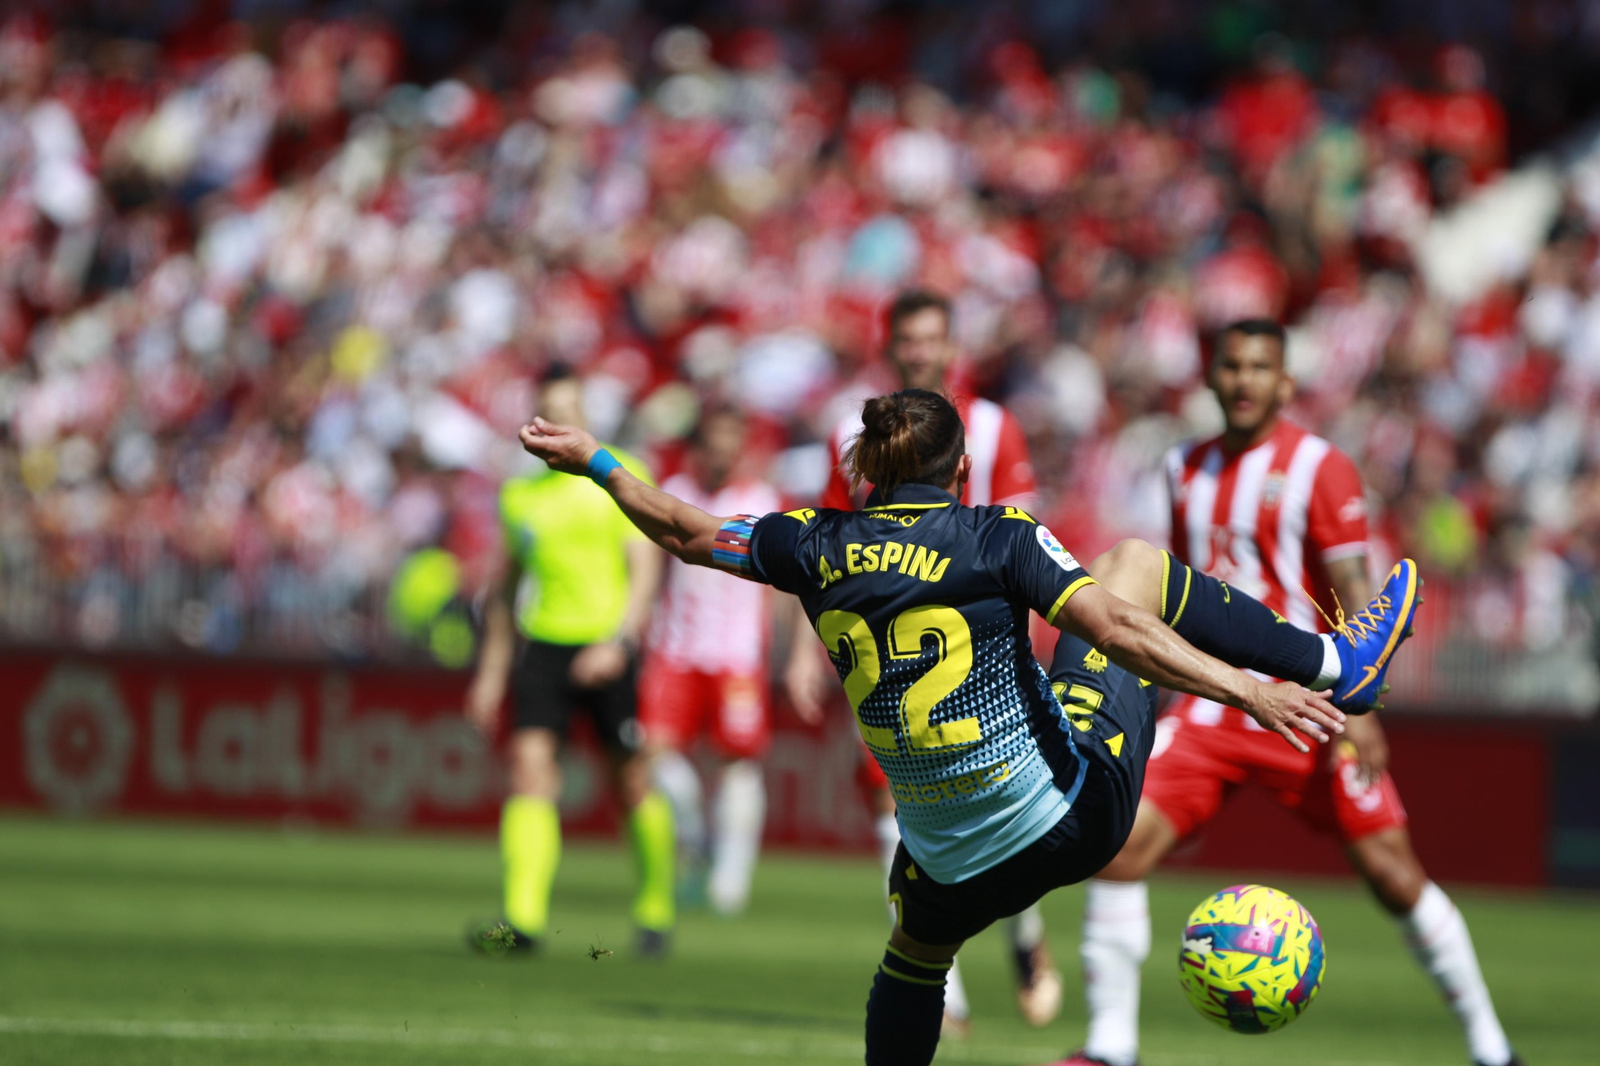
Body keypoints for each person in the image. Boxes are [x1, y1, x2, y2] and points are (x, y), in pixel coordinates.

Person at [516, 386, 1421, 1066]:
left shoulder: (808, 544)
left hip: (946, 858)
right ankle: (1340, 663)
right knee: (1137, 564)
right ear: (960, 473)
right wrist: (1250, 688)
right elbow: (1120, 630)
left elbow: (678, 529)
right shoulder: (997, 535)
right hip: (1071, 815)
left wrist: (597, 460)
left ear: (864, 472)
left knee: (913, 956)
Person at [1057, 319, 1519, 1066]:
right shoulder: (1183, 466)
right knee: (1117, 846)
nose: (1243, 380)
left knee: (1396, 876)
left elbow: (1356, 589)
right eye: (1231, 367)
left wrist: (1365, 708)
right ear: (1211, 379)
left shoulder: (1321, 468)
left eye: (1259, 368)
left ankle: (1492, 1049)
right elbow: (1183, 588)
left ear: (1286, 382)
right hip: (1216, 705)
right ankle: (1112, 1048)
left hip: (1312, 704)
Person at [803, 288, 1055, 1033]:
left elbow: (1020, 535)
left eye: (930, 340)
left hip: (976, 639)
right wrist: (800, 649)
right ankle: (947, 991)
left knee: (1002, 790)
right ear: (890, 346)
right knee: (891, 793)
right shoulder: (859, 431)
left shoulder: (992, 425)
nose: (918, 352)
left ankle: (1026, 939)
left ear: (951, 347)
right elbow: (820, 543)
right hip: (886, 644)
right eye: (906, 340)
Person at [464, 371, 675, 957]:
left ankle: (656, 908)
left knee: (629, 780)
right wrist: (489, 673)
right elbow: (506, 594)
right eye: (548, 413)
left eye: (569, 411)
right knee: (529, 772)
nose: (559, 423)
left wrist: (619, 642)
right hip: (546, 647)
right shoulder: (520, 496)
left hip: (609, 647)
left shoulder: (619, 474)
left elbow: (646, 570)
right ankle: (522, 921)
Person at [641, 405, 803, 915]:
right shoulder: (673, 489)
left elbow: (787, 583)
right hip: (676, 648)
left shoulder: (764, 500)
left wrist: (791, 647)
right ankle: (692, 836)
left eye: (732, 440)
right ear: (699, 444)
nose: (722, 451)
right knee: (656, 754)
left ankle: (730, 878)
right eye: (714, 440)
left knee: (739, 763)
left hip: (738, 656)